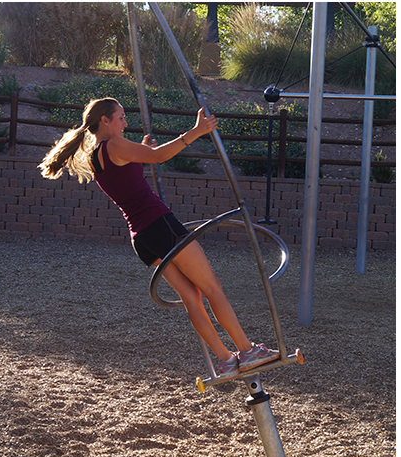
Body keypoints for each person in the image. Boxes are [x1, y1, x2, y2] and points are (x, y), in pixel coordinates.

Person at [37, 97, 279, 376]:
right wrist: (196, 131)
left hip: (141, 238)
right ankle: (247, 351)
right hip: (159, 224)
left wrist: (142, 150)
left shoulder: (96, 157)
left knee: (192, 296)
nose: (125, 123)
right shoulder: (113, 145)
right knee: (212, 288)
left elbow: (130, 173)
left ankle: (225, 359)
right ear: (105, 121)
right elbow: (161, 157)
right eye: (120, 117)